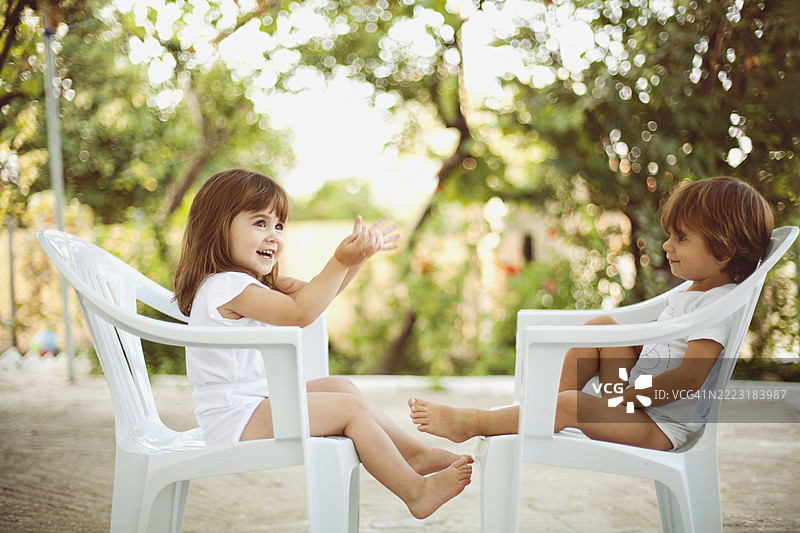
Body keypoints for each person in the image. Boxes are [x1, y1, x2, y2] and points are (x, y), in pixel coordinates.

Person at [174, 169, 471, 519]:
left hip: (253, 406)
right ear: (216, 226)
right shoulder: (226, 286)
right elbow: (302, 312)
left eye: (279, 226)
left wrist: (355, 259)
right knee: (349, 410)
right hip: (235, 419)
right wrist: (339, 260)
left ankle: (415, 454)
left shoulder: (247, 283)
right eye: (260, 223)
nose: (273, 236)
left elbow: (317, 296)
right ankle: (414, 491)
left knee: (340, 386)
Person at [410, 176, 774, 451]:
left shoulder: (717, 304)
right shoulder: (694, 292)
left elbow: (688, 379)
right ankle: (545, 412)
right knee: (600, 328)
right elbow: (655, 351)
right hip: (638, 404)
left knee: (574, 404)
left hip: (660, 427)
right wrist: (622, 378)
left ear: (724, 250)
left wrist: (625, 398)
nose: (667, 245)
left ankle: (478, 422)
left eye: (681, 238)